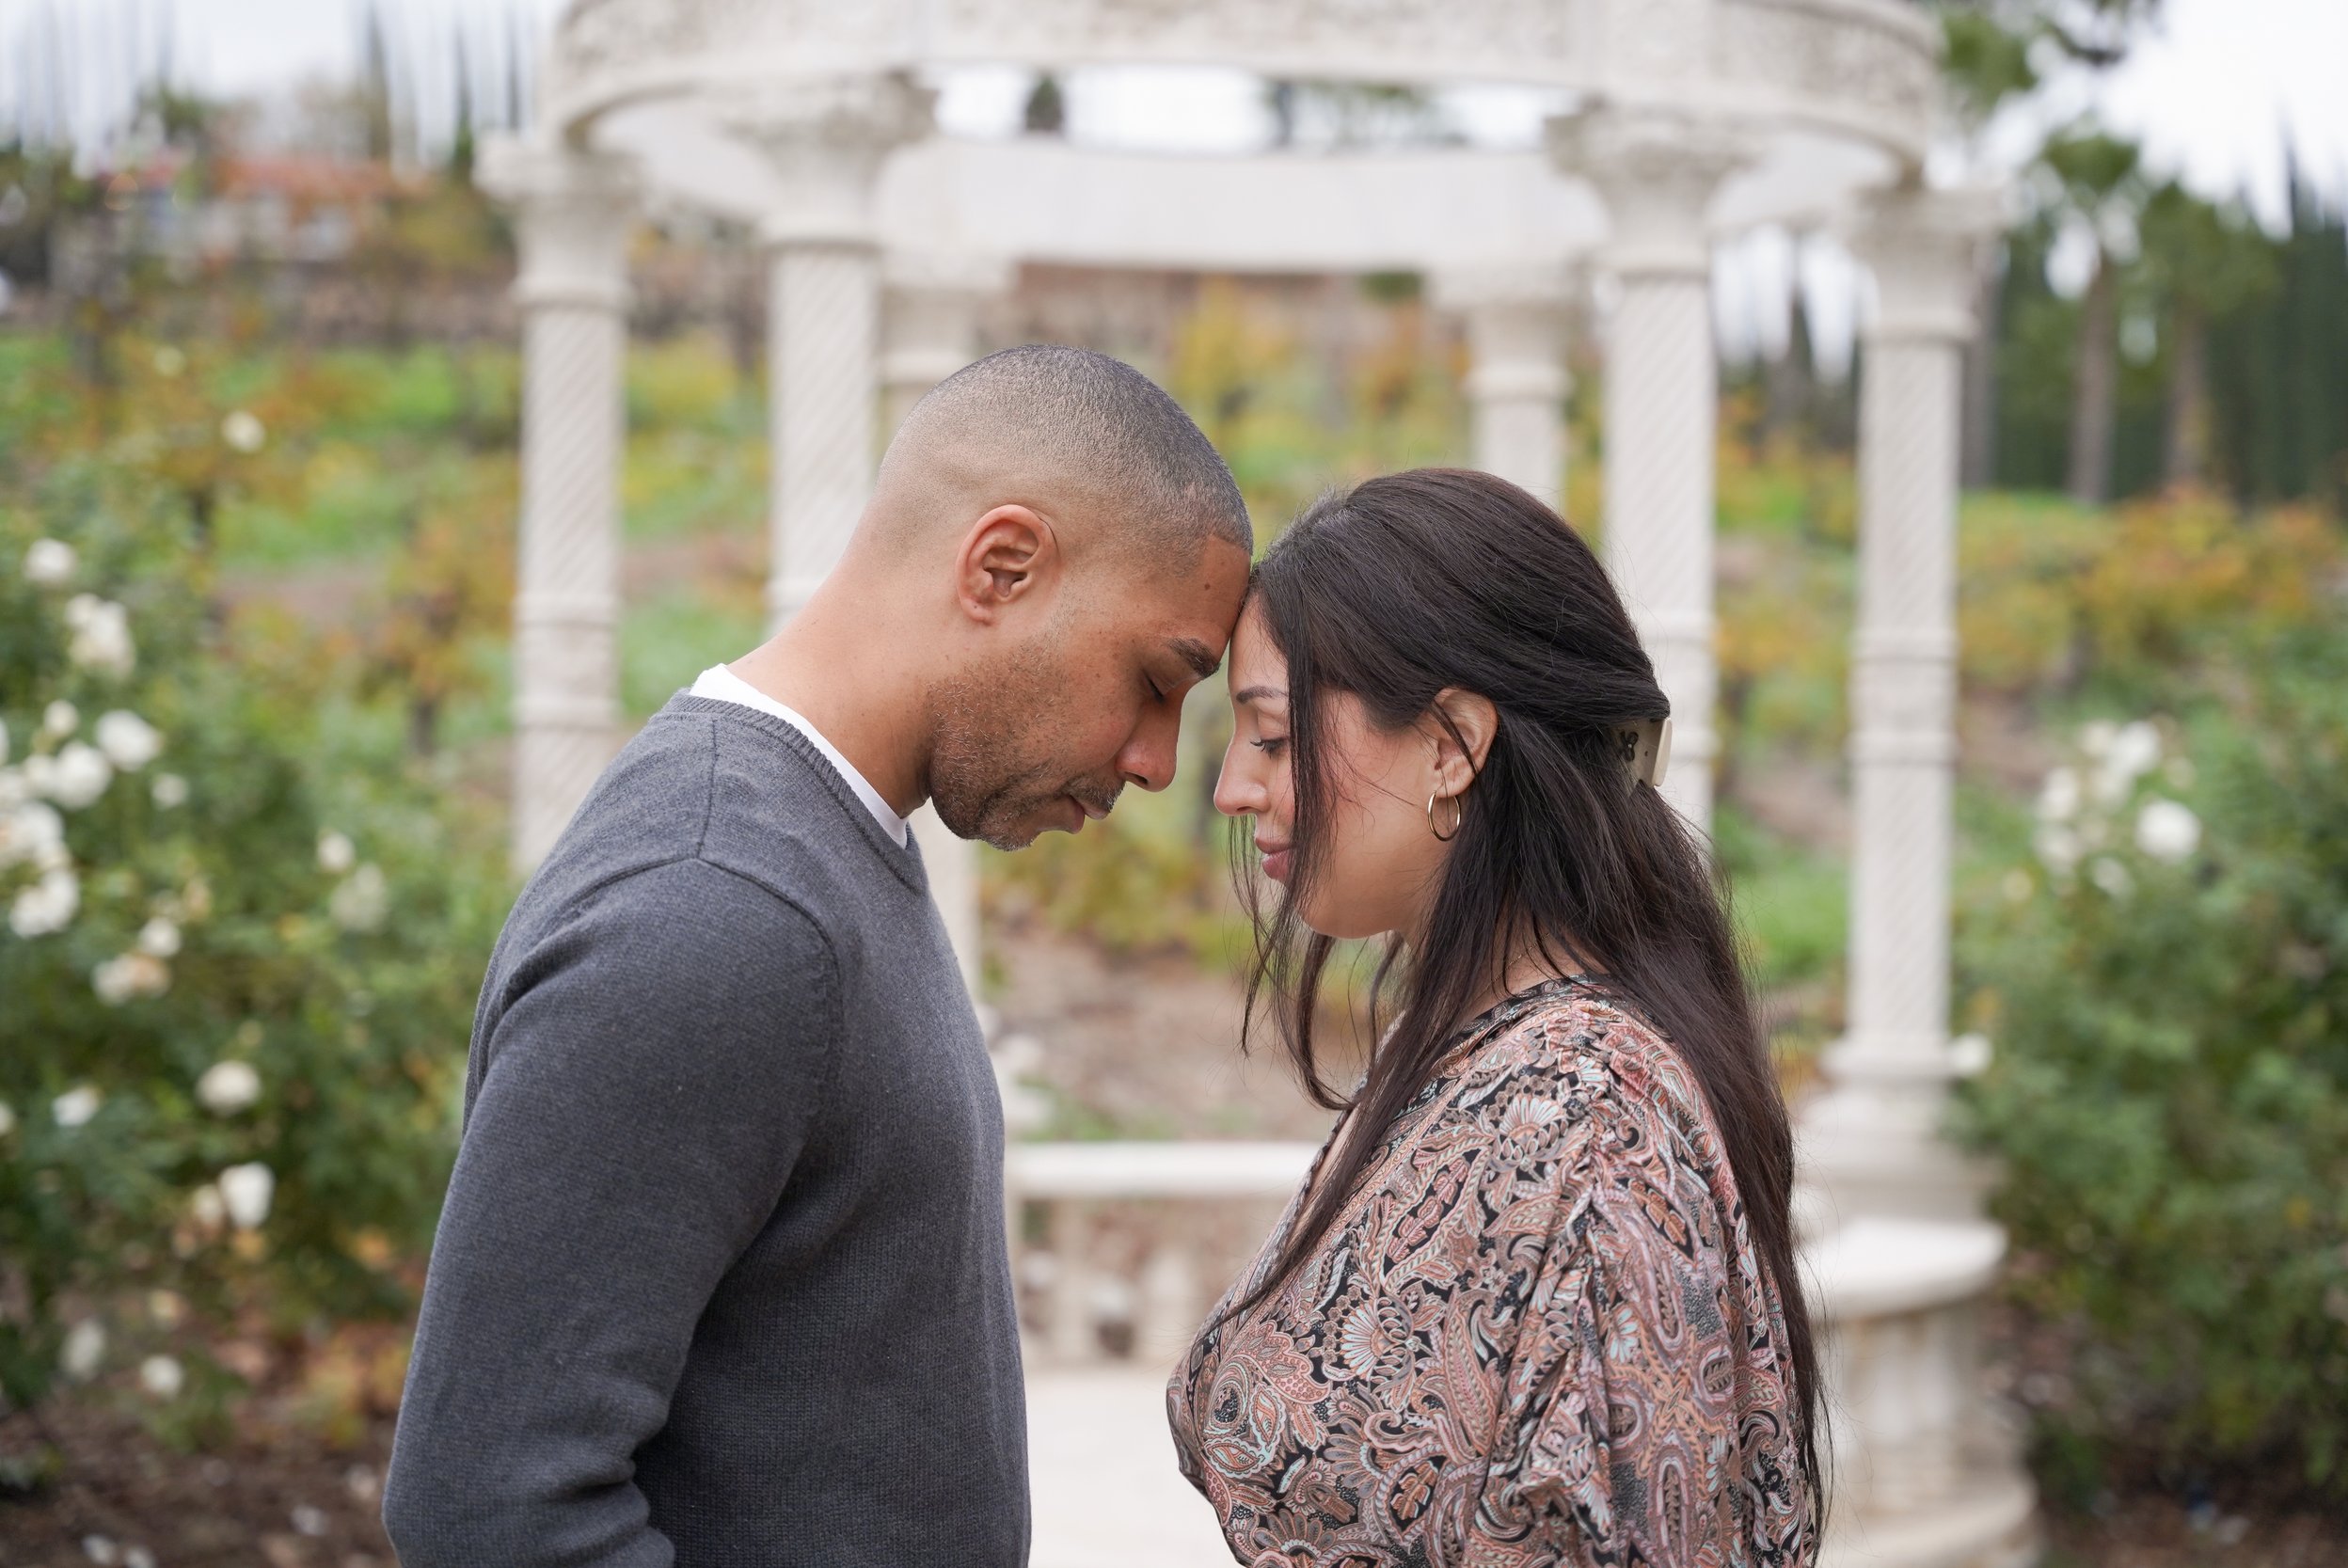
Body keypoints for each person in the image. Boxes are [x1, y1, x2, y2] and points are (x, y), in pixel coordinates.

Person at [382, 345, 1253, 1567]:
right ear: (1003, 566)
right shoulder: (716, 906)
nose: (1161, 758)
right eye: (1156, 679)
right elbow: (491, 1507)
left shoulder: (820, 851)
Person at [1170, 468, 1822, 1566]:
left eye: (1273, 738)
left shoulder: (1595, 1117)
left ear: (1452, 745)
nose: (1233, 786)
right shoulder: (1460, 1059)